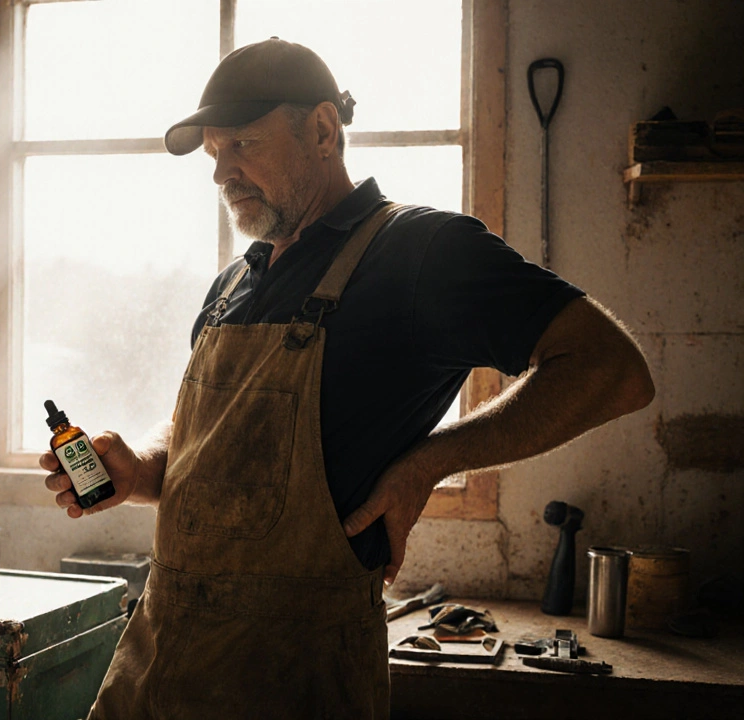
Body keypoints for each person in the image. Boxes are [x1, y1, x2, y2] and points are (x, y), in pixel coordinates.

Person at [41, 38, 654, 719]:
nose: (221, 173)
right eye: (214, 153)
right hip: (155, 668)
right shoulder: (234, 284)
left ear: (323, 130)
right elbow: (207, 444)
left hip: (292, 683)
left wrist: (430, 463)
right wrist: (141, 468)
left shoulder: (421, 252)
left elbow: (612, 369)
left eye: (242, 144)